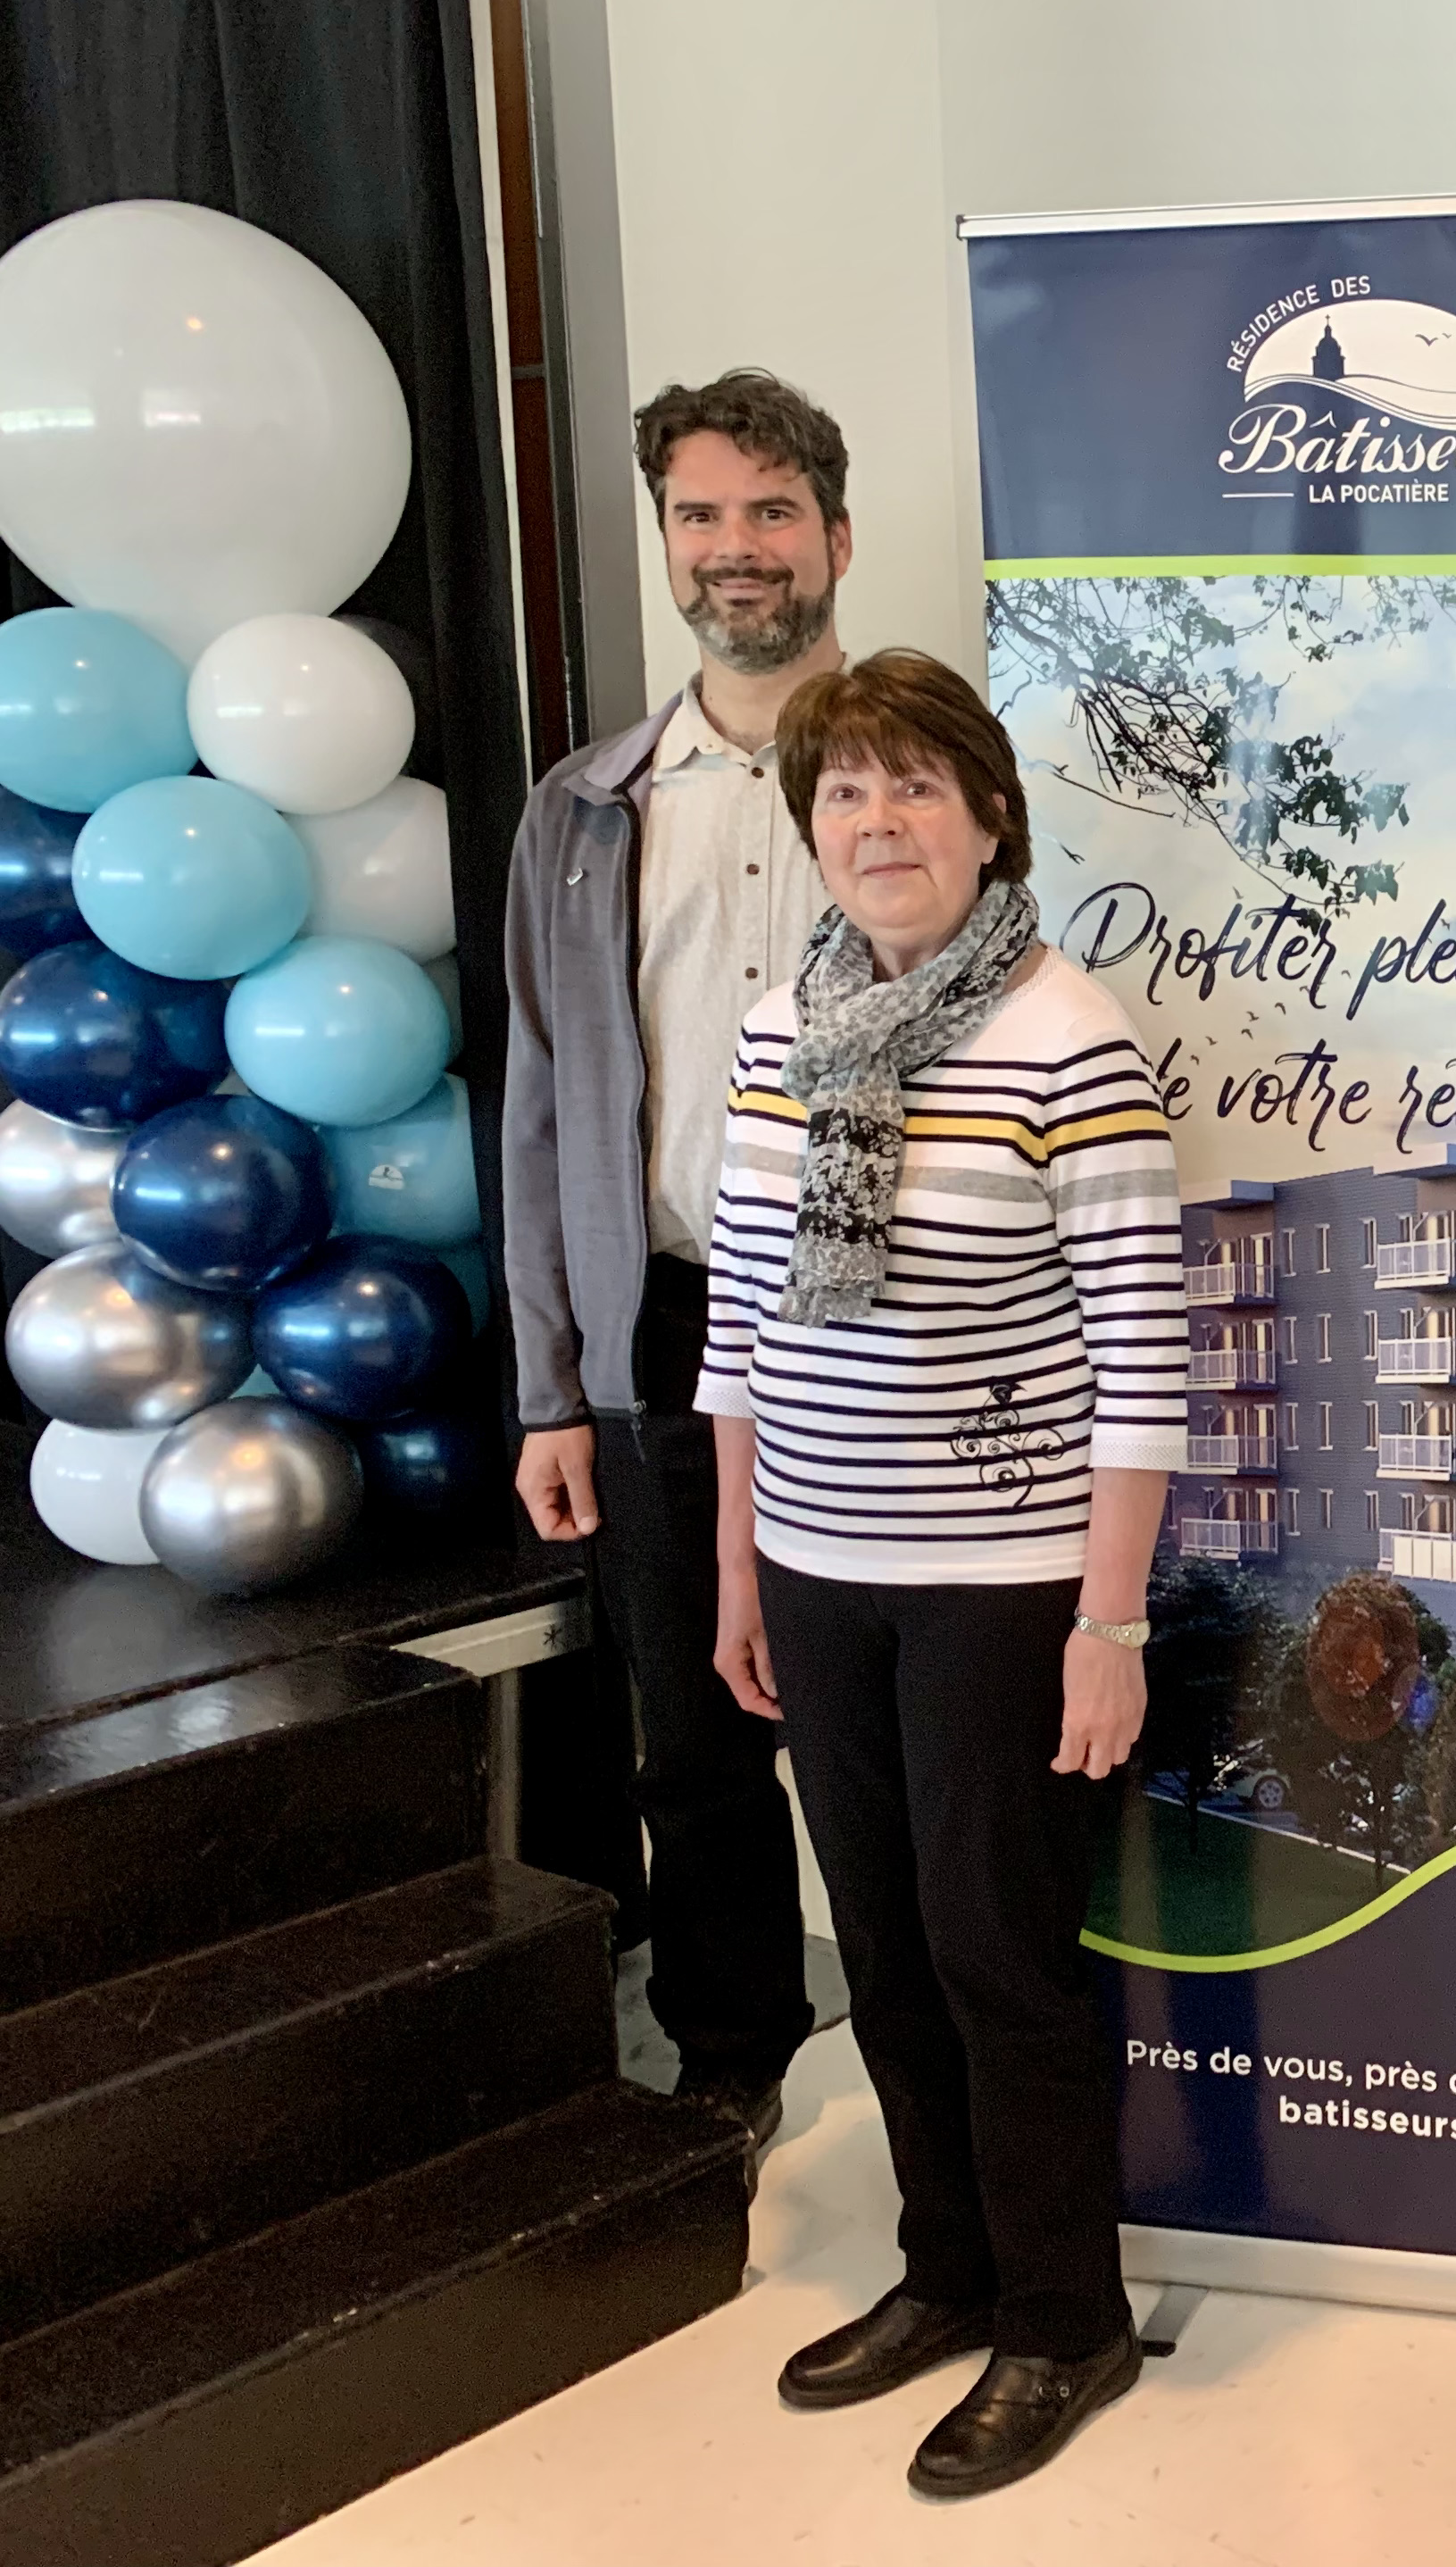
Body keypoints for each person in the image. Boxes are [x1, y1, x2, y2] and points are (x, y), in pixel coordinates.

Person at [694, 648, 1186, 2497]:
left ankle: (1065, 2320)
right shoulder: (780, 1030)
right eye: (845, 790)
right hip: (818, 1568)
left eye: (915, 786)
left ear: (990, 818)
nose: (877, 820)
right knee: (884, 1952)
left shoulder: (1067, 1036)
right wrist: (739, 1566)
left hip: (1003, 1587)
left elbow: (1142, 1354)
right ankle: (948, 2269)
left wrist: (1108, 1622)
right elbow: (742, 1323)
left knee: (999, 1960)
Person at [500, 369, 860, 2139]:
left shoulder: (926, 780)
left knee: (891, 1721)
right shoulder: (585, 815)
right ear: (664, 540)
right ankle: (733, 2061)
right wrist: (548, 1387)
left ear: (837, 536)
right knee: (692, 1738)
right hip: (660, 1319)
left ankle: (940, 2067)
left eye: (770, 510)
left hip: (883, 1326)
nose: (736, 547)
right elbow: (542, 1104)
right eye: (700, 514)